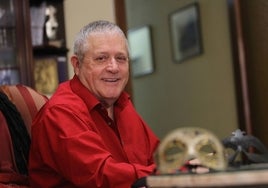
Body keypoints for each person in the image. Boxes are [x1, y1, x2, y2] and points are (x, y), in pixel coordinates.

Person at [28, 20, 159, 187]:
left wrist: (187, 167)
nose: (113, 67)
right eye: (101, 58)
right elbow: (102, 177)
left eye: (121, 58)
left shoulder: (122, 104)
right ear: (77, 65)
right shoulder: (60, 112)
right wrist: (166, 175)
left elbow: (160, 156)